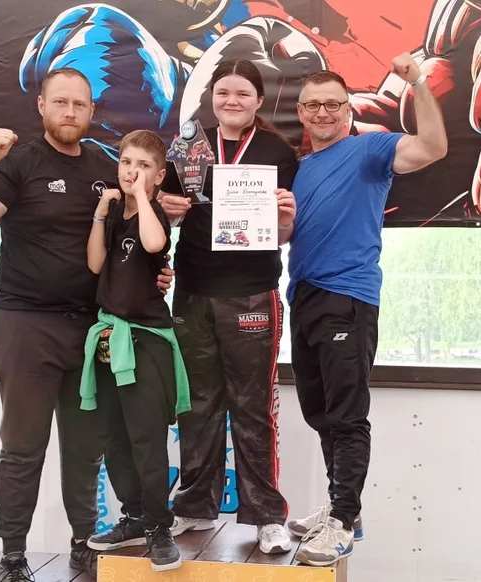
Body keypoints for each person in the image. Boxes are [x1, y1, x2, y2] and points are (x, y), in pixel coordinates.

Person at [0, 68, 172, 582]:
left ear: (92, 111)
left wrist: (156, 274)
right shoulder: (19, 163)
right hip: (25, 324)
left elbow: (136, 239)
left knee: (85, 447)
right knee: (23, 447)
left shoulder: (106, 167)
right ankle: (12, 556)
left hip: (91, 330)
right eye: (60, 102)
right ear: (42, 106)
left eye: (79, 104)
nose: (70, 112)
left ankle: (83, 544)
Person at [283, 58, 448, 567]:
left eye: (333, 104)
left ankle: (343, 519)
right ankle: (341, 510)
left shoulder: (369, 150)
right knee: (320, 413)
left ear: (347, 110)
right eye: (314, 105)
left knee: (347, 415)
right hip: (303, 297)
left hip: (347, 299)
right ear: (301, 112)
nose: (324, 113)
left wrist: (418, 81)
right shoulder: (298, 168)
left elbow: (433, 147)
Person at [157, 58, 300, 555]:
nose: (231, 100)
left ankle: (267, 516)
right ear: (211, 98)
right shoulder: (187, 148)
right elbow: (165, 219)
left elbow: (286, 232)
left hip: (252, 291)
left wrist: (286, 219)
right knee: (196, 404)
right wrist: (166, 209)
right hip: (193, 290)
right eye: (223, 92)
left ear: (258, 100)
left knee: (252, 406)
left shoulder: (278, 151)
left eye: (242, 93)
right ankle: (195, 505)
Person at [79, 130, 191, 573]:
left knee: (146, 439)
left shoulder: (154, 214)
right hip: (109, 339)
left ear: (159, 175)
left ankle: (159, 527)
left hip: (145, 342)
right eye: (127, 163)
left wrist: (144, 195)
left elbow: (154, 244)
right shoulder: (111, 214)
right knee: (115, 437)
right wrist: (100, 212)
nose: (132, 172)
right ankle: (134, 516)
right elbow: (94, 264)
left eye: (144, 166)